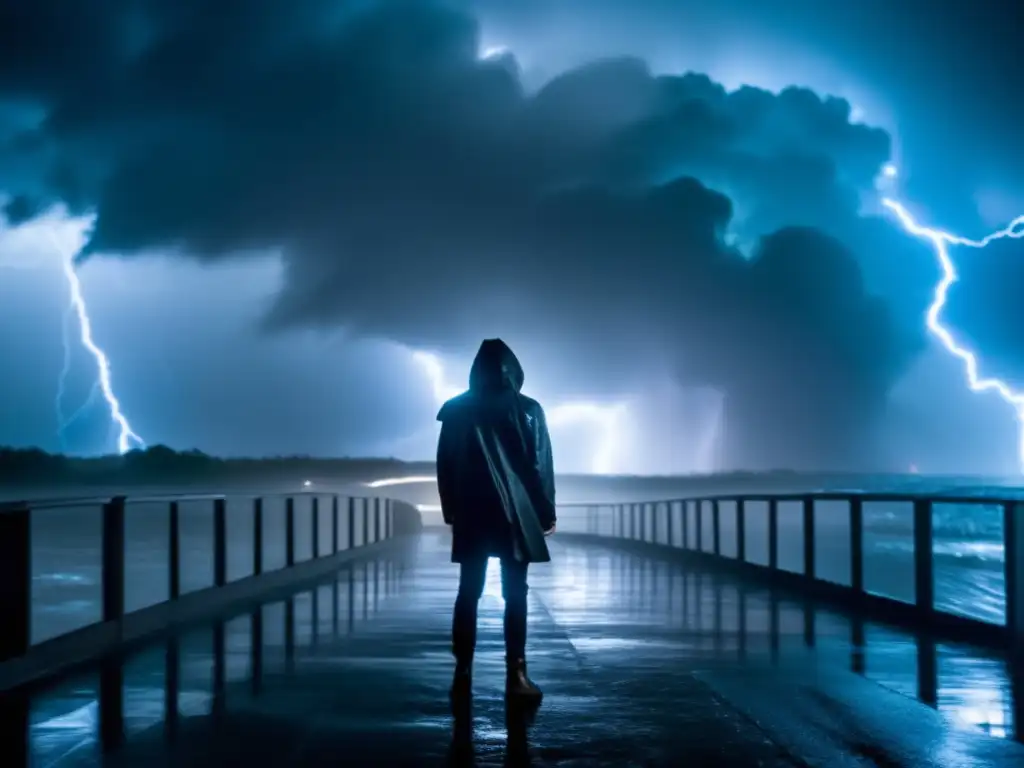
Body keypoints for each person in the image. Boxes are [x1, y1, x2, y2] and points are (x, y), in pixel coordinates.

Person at [436, 338, 557, 700]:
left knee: (468, 590)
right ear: (514, 370)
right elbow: (538, 465)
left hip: (472, 510)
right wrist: (545, 512)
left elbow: (445, 463)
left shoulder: (455, 409)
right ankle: (516, 674)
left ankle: (462, 669)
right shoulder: (529, 408)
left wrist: (450, 508)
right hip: (515, 515)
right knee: (515, 592)